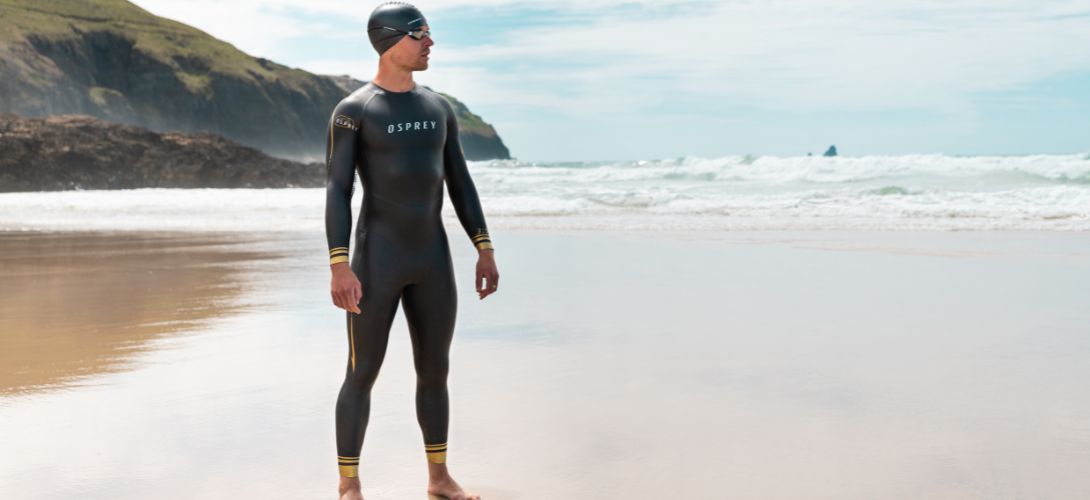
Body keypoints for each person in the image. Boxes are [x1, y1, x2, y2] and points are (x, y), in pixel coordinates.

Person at [324, 3, 498, 499]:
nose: (430, 43)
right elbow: (338, 190)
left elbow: (461, 183)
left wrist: (483, 249)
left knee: (435, 370)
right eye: (421, 33)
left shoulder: (438, 107)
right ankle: (349, 485)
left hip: (432, 261)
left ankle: (440, 479)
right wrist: (339, 264)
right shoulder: (354, 112)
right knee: (361, 371)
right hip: (375, 262)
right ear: (389, 38)